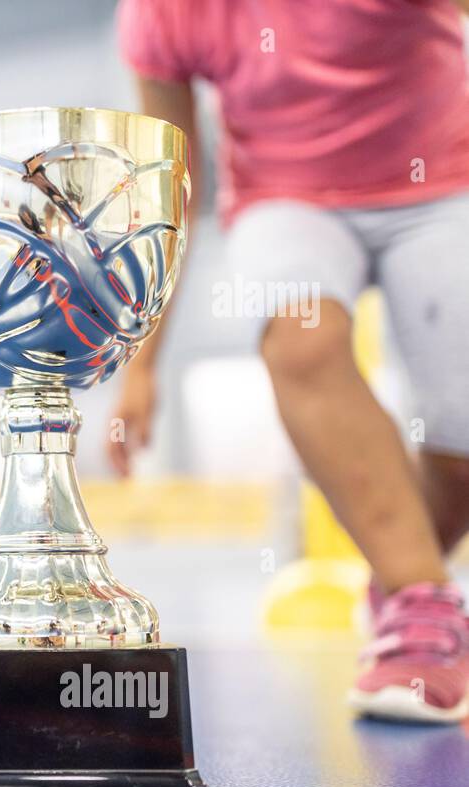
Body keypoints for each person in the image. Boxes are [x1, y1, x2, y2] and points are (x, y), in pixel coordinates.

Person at [112, 0, 469, 722]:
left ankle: (405, 578)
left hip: (444, 178)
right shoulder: (162, 11)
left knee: (462, 437)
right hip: (285, 197)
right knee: (300, 338)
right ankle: (421, 610)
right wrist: (143, 359)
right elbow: (169, 182)